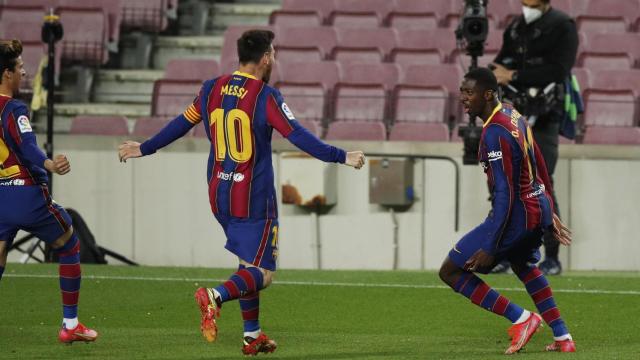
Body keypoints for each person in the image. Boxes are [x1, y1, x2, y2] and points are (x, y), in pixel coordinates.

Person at [118, 30, 366, 355]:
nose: (273, 59)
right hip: (253, 198)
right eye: (273, 54)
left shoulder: (211, 89)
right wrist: (341, 156)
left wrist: (145, 148)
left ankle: (252, 335)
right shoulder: (266, 97)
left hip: (219, 193)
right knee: (262, 274)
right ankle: (215, 296)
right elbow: (298, 136)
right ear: (265, 58)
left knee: (247, 264)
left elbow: (182, 122)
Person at [439, 68, 575, 354]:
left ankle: (522, 318)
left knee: (451, 271)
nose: (463, 98)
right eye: (462, 91)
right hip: (536, 208)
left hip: (518, 215)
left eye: (468, 92)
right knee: (523, 264)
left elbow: (505, 192)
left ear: (487, 94)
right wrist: (548, 207)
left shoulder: (494, 133)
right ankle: (563, 336)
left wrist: (490, 246)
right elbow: (539, 163)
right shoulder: (514, 115)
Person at [0, 39, 98, 343]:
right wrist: (49, 164)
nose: (24, 73)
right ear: (6, 73)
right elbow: (28, 148)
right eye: (19, 68)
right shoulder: (14, 109)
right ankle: (70, 325)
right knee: (69, 243)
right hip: (27, 194)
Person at [491, 0, 578, 275]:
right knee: (502, 183)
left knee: (541, 184)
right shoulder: (515, 27)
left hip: (544, 117)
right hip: (512, 115)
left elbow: (559, 70)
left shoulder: (563, 25)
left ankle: (551, 257)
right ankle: (504, 254)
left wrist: (514, 74)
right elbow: (501, 64)